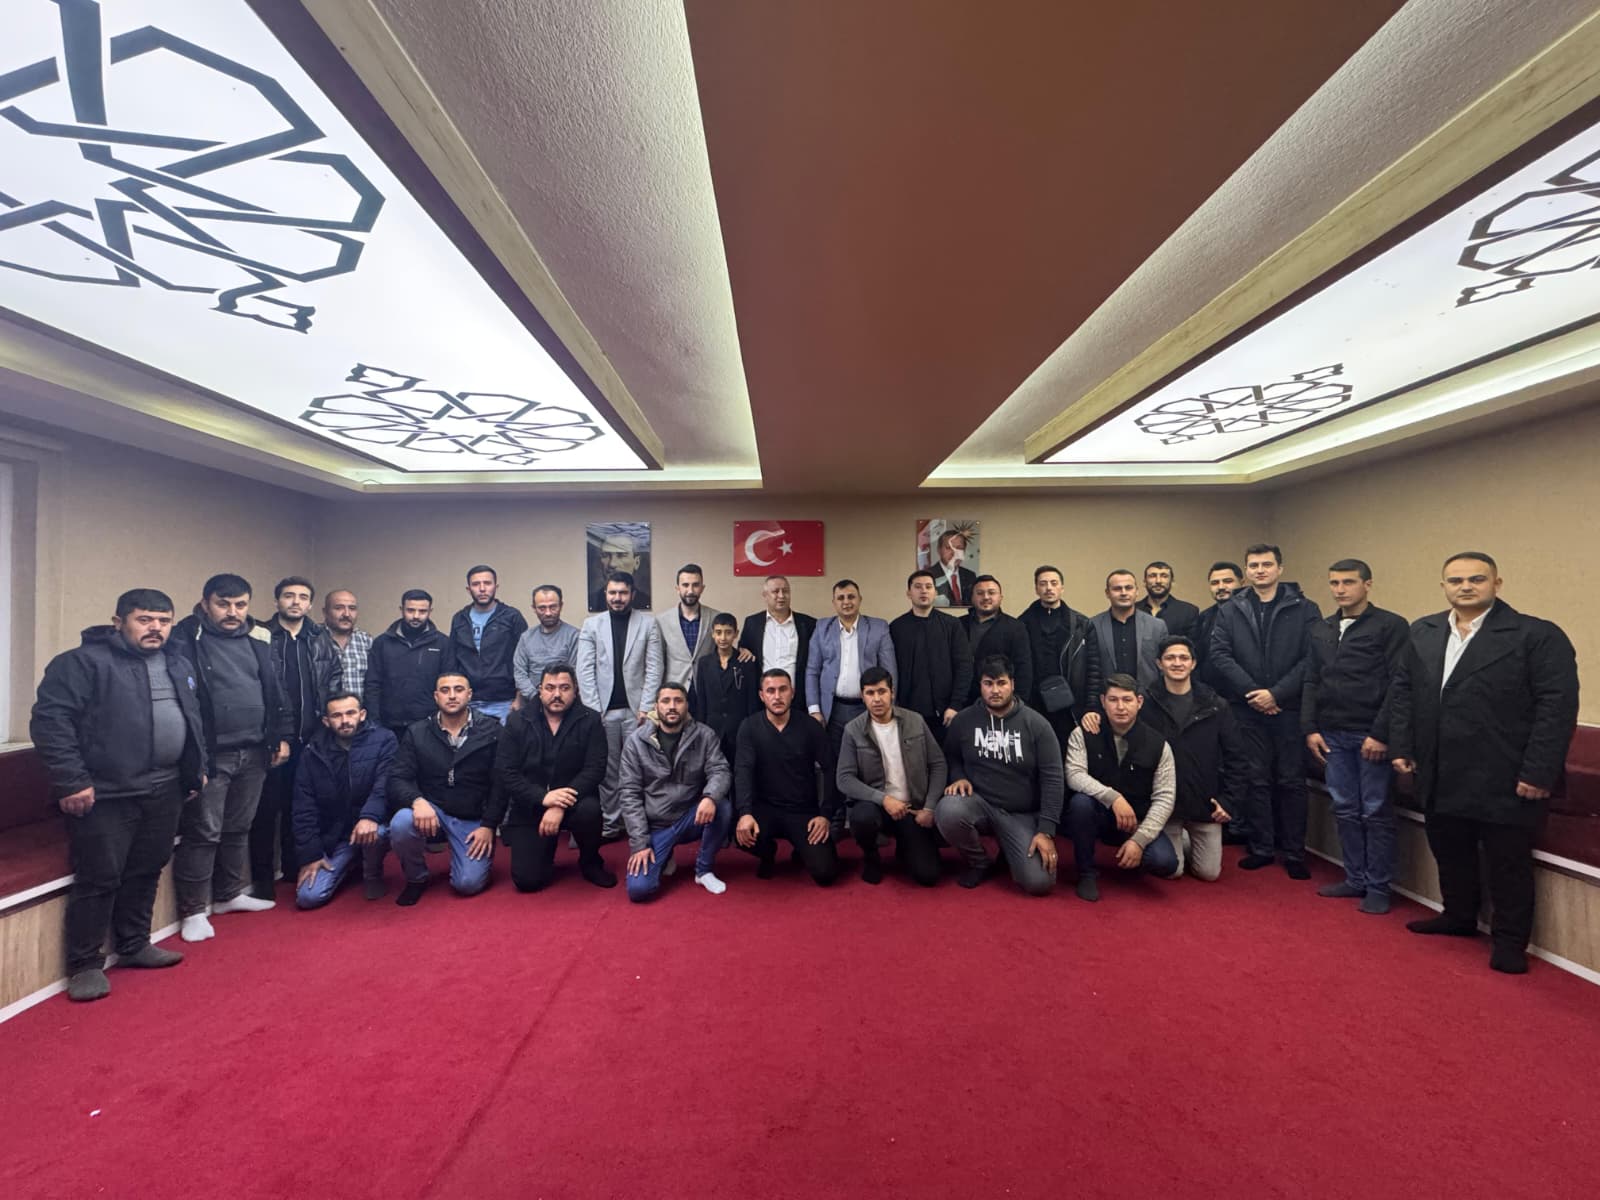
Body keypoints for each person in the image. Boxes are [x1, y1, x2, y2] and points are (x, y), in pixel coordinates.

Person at [1388, 552, 1579, 974]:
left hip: (1506, 771)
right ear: (1443, 586)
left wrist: (1539, 770)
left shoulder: (1536, 635)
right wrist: (1401, 745)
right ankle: (1458, 916)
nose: (1466, 587)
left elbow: (1557, 708)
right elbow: (1403, 693)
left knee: (1507, 863)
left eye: (1476, 579)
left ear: (1497, 583)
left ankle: (1510, 941)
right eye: (1456, 580)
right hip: (1439, 768)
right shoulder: (1424, 631)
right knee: (1449, 850)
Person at [30, 588, 207, 1002]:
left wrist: (194, 768)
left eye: (163, 620)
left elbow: (192, 718)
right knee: (100, 876)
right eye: (145, 620)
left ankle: (133, 944)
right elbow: (51, 723)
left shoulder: (177, 662)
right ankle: (84, 965)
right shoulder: (80, 663)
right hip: (105, 792)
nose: (155, 628)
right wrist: (71, 781)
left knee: (147, 867)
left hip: (166, 786)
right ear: (118, 622)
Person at [168, 573, 291, 942]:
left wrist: (280, 737)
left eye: (240, 604)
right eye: (223, 604)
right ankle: (193, 911)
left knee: (239, 826)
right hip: (211, 753)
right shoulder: (185, 637)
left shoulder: (259, 638)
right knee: (204, 832)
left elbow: (275, 691)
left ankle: (228, 894)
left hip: (255, 750)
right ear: (205, 603)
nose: (233, 612)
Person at [1302, 559, 1410, 914]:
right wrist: (1310, 728)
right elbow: (1311, 679)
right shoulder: (1322, 628)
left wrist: (1381, 733)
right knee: (1345, 808)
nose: (1340, 589)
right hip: (1332, 734)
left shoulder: (1390, 625)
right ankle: (1355, 878)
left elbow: (1399, 684)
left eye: (1348, 582)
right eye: (1334, 583)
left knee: (1375, 811)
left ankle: (1378, 887)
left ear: (1368, 584)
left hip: (1370, 736)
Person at [1209, 543, 1321, 879]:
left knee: (1291, 780)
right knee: (1255, 779)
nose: (1260, 570)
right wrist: (1254, 693)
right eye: (1254, 565)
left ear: (1280, 569)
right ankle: (1261, 848)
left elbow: (1312, 657)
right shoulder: (1231, 608)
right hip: (1246, 708)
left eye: (1266, 564)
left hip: (1289, 707)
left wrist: (1276, 694)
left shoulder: (1305, 608)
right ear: (1246, 571)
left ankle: (1294, 853)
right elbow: (1220, 654)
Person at [937, 655, 1062, 894]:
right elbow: (951, 756)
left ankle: (1010, 849)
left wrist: (1046, 830)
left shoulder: (1037, 724)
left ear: (1012, 684)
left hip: (1021, 813)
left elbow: (1053, 779)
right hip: (980, 805)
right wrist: (959, 776)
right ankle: (980, 862)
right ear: (980, 686)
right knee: (948, 810)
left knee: (1039, 882)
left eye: (1001, 683)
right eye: (988, 683)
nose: (995, 690)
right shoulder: (964, 720)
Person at [486, 664, 614, 892]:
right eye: (550, 688)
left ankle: (590, 861)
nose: (557, 694)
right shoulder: (517, 721)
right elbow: (507, 772)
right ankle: (545, 851)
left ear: (575, 690)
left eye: (564, 688)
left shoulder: (591, 720)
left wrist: (559, 804)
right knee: (528, 881)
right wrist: (543, 798)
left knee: (590, 810)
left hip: (575, 802)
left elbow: (595, 769)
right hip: (530, 805)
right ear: (540, 690)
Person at [252, 575, 341, 899]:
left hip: (313, 738)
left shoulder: (320, 638)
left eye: (302, 597)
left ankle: (294, 867)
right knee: (266, 811)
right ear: (277, 600)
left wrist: (327, 726)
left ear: (310, 604)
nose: (295, 602)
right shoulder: (260, 636)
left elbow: (334, 679)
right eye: (289, 596)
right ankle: (262, 882)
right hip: (275, 739)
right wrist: (275, 736)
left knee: (302, 805)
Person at [1136, 637, 1245, 883]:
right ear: (1159, 663)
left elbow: (1237, 758)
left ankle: (1186, 839)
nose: (1177, 663)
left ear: (1193, 663)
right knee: (1172, 871)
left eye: (1183, 658)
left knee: (1209, 873)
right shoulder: (1146, 704)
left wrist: (1229, 801)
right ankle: (1173, 840)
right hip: (1166, 806)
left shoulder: (1216, 705)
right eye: (1170, 658)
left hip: (1204, 803)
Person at [387, 672, 501, 905]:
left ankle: (472, 861)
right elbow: (398, 777)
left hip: (472, 817)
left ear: (469, 694)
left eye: (458, 689)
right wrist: (417, 801)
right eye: (445, 690)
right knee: (401, 823)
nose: (452, 696)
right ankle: (416, 877)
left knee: (467, 884)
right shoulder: (417, 732)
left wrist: (489, 825)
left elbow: (501, 783)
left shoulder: (492, 730)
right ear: (436, 696)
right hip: (432, 812)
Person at [1065, 673, 1180, 901]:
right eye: (1113, 700)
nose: (1120, 707)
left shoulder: (1159, 745)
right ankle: (1086, 872)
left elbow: (1165, 797)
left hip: (1136, 821)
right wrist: (1113, 798)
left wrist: (1140, 840)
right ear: (1102, 701)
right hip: (1098, 814)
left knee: (1165, 863)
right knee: (1080, 804)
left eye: (1127, 700)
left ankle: (1133, 856)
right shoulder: (1083, 733)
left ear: (1139, 702)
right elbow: (1074, 775)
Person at [618, 683, 733, 901]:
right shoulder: (636, 742)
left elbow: (720, 770)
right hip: (655, 827)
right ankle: (666, 854)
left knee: (722, 807)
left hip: (690, 818)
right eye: (666, 701)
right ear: (656, 706)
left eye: (678, 701)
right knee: (639, 890)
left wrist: (709, 797)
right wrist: (640, 844)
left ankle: (703, 870)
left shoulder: (704, 735)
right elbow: (629, 794)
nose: (672, 706)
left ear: (687, 705)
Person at [837, 665, 947, 886]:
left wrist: (929, 807)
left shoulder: (915, 721)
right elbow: (844, 779)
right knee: (862, 817)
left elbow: (938, 764)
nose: (877, 699)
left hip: (912, 809)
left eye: (882, 691)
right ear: (862, 696)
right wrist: (884, 799)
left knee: (928, 875)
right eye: (870, 693)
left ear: (892, 693)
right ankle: (871, 856)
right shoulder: (853, 730)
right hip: (877, 808)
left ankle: (905, 847)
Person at [576, 571, 665, 840]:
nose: (617, 598)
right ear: (605, 594)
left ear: (632, 594)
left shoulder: (648, 624)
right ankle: (611, 825)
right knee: (609, 772)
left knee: (643, 769)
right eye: (612, 592)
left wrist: (646, 706)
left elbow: (655, 667)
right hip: (604, 713)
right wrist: (594, 711)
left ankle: (641, 823)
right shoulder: (591, 625)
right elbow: (584, 670)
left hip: (638, 712)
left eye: (623, 593)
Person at [290, 692, 397, 908]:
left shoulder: (384, 739)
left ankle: (372, 873)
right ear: (326, 721)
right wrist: (311, 855)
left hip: (375, 825)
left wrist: (370, 816)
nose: (345, 720)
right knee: (309, 897)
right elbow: (303, 807)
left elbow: (384, 785)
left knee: (380, 832)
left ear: (362, 714)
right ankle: (352, 862)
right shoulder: (312, 752)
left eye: (350, 713)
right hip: (337, 836)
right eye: (337, 716)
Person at [734, 669, 840, 885]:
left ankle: (801, 850)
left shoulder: (810, 727)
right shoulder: (749, 727)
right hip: (765, 809)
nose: (777, 696)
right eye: (770, 691)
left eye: (783, 689)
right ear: (762, 695)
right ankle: (768, 852)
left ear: (792, 692)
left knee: (826, 873)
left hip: (803, 811)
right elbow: (742, 771)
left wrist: (825, 815)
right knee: (736, 830)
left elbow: (831, 769)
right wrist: (745, 813)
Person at [806, 579, 897, 811]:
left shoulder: (878, 627)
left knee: (870, 762)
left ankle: (866, 815)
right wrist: (814, 709)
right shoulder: (822, 628)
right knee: (835, 763)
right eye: (841, 598)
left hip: (867, 708)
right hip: (833, 709)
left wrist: (887, 707)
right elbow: (812, 670)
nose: (846, 602)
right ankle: (835, 816)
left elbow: (889, 672)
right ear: (834, 602)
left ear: (859, 599)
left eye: (851, 597)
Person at [1019, 564, 1099, 750]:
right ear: (1036, 589)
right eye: (1043, 584)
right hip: (1034, 704)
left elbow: (1094, 669)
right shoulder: (1021, 624)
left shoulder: (1081, 624)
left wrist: (1091, 707)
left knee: (1069, 756)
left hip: (1071, 706)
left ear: (1062, 588)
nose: (1049, 588)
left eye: (1054, 583)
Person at [888, 569, 973, 735]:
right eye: (918, 587)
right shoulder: (896, 627)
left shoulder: (952, 625)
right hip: (907, 712)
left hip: (946, 713)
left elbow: (964, 666)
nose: (924, 591)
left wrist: (955, 705)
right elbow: (890, 669)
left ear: (935, 592)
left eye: (928, 586)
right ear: (909, 593)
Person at [364, 589, 453, 738]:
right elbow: (372, 684)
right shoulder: (382, 643)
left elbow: (447, 686)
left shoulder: (443, 643)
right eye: (410, 610)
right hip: (389, 725)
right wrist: (374, 722)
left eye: (422, 611)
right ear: (401, 610)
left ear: (430, 611)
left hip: (429, 725)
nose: (416, 616)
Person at [450, 564, 529, 721]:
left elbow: (525, 659)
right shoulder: (459, 619)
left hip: (504, 700)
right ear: (468, 589)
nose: (482, 589)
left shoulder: (511, 617)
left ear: (496, 587)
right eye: (476, 584)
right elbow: (452, 659)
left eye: (487, 583)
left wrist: (519, 697)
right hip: (468, 700)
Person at [1086, 569, 1165, 706]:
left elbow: (1164, 667)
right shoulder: (1092, 625)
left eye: (1128, 588)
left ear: (1137, 591)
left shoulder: (1157, 626)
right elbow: (1088, 669)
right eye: (1117, 589)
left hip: (1150, 703)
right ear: (1107, 593)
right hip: (1108, 704)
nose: (1123, 593)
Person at [690, 612, 760, 764]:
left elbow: (752, 701)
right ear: (713, 634)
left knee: (739, 768)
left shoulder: (746, 662)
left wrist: (752, 729)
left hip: (739, 729)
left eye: (728, 632)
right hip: (712, 729)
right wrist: (700, 730)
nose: (723, 638)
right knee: (713, 768)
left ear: (736, 634)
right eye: (719, 632)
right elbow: (702, 700)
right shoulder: (704, 663)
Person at [739, 574, 817, 712]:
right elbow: (743, 649)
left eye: (785, 591)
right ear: (765, 595)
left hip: (798, 700)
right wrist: (742, 649)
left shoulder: (808, 624)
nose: (781, 596)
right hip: (763, 701)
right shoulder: (752, 623)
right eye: (775, 591)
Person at [957, 576, 1033, 705]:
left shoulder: (1015, 627)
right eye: (980, 593)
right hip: (962, 700)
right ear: (972, 598)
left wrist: (1017, 703)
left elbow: (1023, 669)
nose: (986, 597)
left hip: (1000, 701)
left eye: (991, 593)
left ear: (1000, 597)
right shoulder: (958, 625)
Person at [657, 563, 730, 691]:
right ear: (677, 588)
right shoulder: (661, 621)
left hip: (707, 687)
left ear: (702, 588)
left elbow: (725, 649)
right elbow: (657, 662)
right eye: (685, 585)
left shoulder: (715, 617)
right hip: (675, 688)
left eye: (695, 585)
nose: (690, 591)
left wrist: (743, 650)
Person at [512, 585, 580, 708]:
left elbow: (575, 673)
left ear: (561, 606)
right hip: (532, 702)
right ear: (534, 608)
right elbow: (519, 673)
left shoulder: (574, 636)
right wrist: (537, 697)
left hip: (564, 703)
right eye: (542, 608)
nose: (548, 613)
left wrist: (555, 696)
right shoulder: (526, 638)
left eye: (553, 607)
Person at [1193, 561, 1242, 690]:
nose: (1221, 587)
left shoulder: (1252, 614)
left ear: (1242, 583)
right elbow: (1198, 655)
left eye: (1228, 581)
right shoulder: (1205, 616)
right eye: (1214, 583)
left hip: (1245, 693)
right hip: (1211, 693)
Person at [321, 589, 371, 698]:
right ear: (325, 612)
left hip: (360, 708)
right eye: (339, 608)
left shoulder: (367, 641)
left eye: (352, 608)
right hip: (323, 708)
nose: (347, 614)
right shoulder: (312, 639)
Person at [589, 529, 652, 611]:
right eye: (605, 555)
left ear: (636, 562)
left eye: (621, 555)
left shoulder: (645, 600)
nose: (612, 564)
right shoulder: (592, 600)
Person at [1137, 561, 1200, 638]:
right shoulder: (1133, 610)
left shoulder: (1188, 612)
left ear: (1172, 582)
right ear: (1144, 582)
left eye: (1164, 576)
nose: (1158, 581)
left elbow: (1192, 644)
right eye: (1152, 576)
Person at [930, 529, 978, 608]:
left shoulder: (970, 576)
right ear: (939, 550)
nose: (954, 553)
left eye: (959, 548)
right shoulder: (928, 575)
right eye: (948, 548)